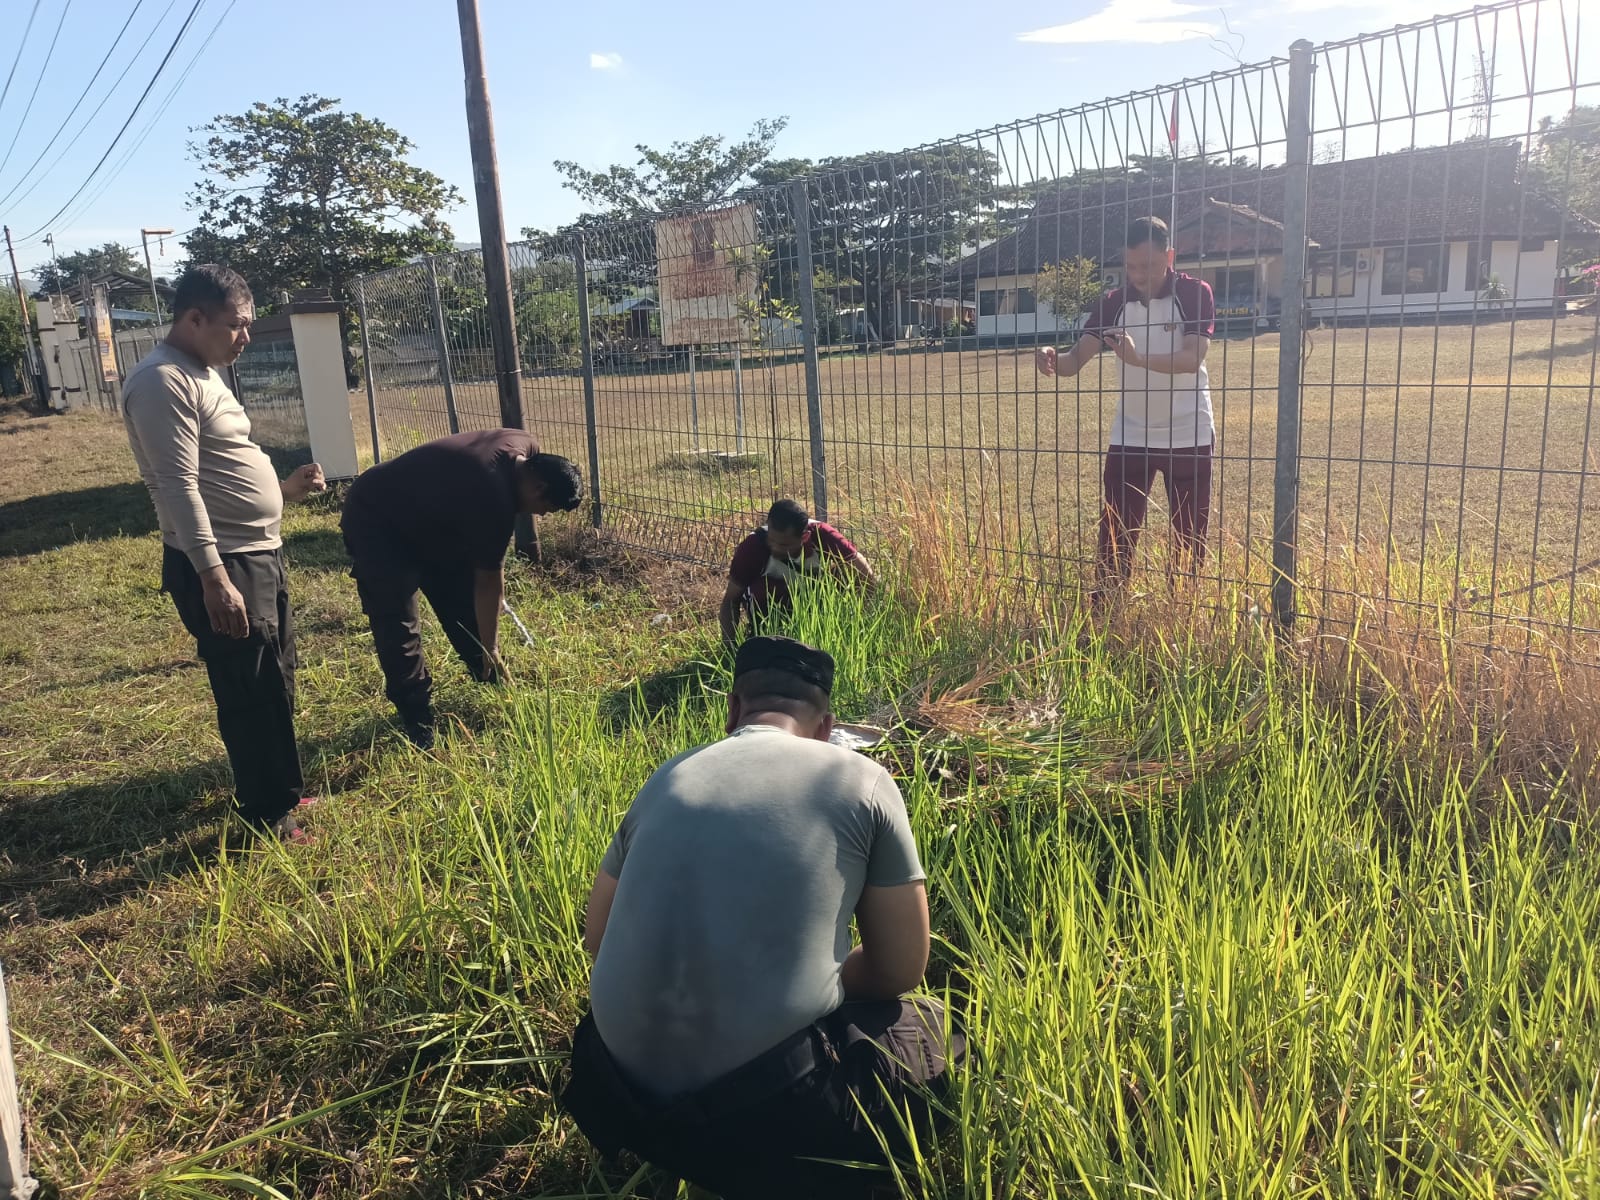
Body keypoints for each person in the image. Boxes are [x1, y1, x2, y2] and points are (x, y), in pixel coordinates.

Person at [562, 636, 964, 1199]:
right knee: (938, 1028)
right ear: (827, 727)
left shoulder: (668, 775)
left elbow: (598, 936)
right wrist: (821, 981)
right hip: (771, 1118)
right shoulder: (863, 780)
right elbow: (900, 969)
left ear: (733, 709)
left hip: (616, 1094)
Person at [122, 264, 326, 843]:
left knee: (275, 675)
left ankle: (280, 788)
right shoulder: (163, 381)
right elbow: (177, 485)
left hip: (257, 552)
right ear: (194, 318)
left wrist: (281, 491)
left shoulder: (204, 372)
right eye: (236, 326)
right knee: (249, 686)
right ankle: (267, 814)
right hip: (223, 563)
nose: (245, 337)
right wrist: (213, 576)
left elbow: (223, 465)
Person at [339, 429, 582, 747]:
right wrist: (492, 647)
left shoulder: (525, 445)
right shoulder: (493, 496)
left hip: (433, 522)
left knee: (461, 605)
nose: (539, 515)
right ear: (538, 487)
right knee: (398, 622)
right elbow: (490, 583)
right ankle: (418, 720)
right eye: (543, 508)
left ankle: (493, 683)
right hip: (377, 519)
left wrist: (489, 646)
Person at [1036, 215, 1216, 596]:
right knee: (1115, 534)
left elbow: (1191, 358)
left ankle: (1181, 613)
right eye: (1131, 266)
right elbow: (1074, 360)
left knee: (1189, 538)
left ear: (1170, 255)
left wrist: (1138, 359)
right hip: (1131, 435)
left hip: (1188, 433)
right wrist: (1053, 360)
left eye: (1148, 265)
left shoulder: (1195, 293)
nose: (1138, 275)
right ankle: (1106, 617)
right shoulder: (1114, 303)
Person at [718, 499, 876, 647]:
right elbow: (730, 600)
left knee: (843, 574)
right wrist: (730, 648)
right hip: (769, 605)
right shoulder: (753, 546)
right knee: (761, 590)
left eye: (784, 544)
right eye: (771, 540)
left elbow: (868, 578)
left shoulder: (823, 536)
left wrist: (855, 624)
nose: (774, 548)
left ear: (805, 537)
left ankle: (823, 633)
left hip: (814, 601)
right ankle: (763, 636)